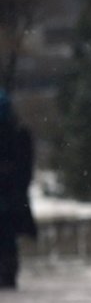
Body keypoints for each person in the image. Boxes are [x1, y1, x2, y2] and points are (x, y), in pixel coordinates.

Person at [0, 89, 37, 289]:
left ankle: (7, 273)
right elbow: (25, 168)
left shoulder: (17, 134)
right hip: (11, 196)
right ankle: (8, 274)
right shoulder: (18, 133)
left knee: (6, 237)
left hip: (9, 195)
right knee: (7, 238)